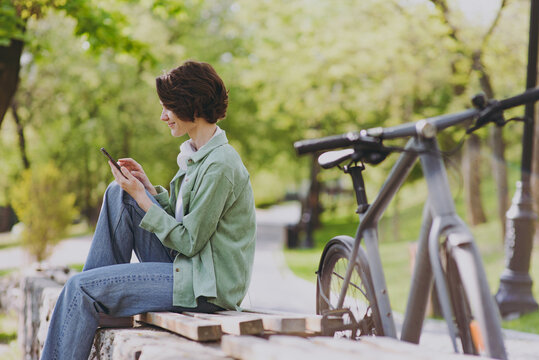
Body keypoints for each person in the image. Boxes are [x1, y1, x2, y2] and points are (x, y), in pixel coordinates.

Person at [40, 60, 256, 360]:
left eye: (168, 107)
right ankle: (101, 300)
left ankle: (95, 296)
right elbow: (184, 222)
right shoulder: (199, 157)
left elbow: (190, 241)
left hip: (205, 287)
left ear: (191, 107)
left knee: (80, 288)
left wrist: (143, 198)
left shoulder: (220, 165)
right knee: (119, 193)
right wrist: (148, 190)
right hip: (187, 269)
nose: (163, 116)